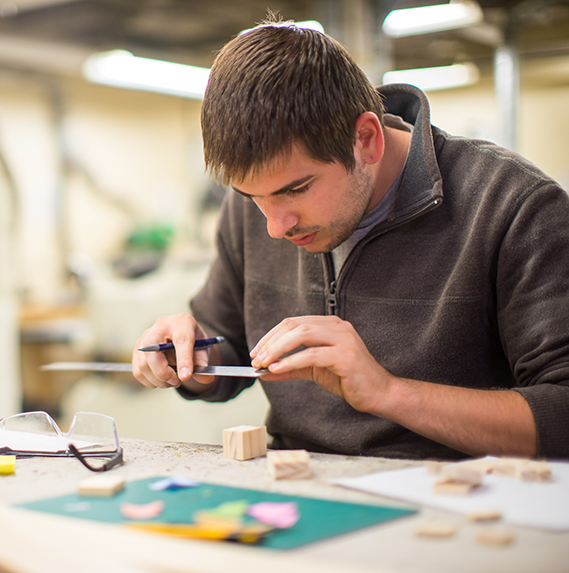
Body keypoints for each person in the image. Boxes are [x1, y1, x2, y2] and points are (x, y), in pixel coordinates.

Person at [131, 19, 569, 460]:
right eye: (252, 195)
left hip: (460, 502)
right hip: (299, 486)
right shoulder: (256, 206)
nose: (274, 226)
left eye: (296, 189)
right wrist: (191, 359)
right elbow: (228, 344)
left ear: (366, 139)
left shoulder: (513, 206)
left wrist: (388, 392)